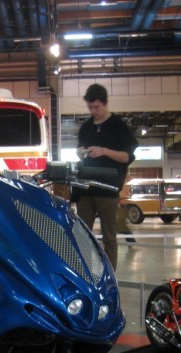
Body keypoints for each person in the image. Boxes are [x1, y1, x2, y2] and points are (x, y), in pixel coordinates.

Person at [76, 83, 138, 270]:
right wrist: (81, 152)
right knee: (82, 235)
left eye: (96, 107)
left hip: (108, 189)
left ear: (105, 103)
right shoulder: (86, 127)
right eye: (90, 107)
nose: (93, 111)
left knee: (109, 237)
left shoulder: (118, 126)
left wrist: (103, 151)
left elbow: (127, 157)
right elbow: (80, 149)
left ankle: (110, 276)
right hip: (86, 188)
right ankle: (86, 273)